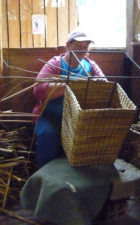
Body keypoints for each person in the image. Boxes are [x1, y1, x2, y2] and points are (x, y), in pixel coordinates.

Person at [32, 28, 107, 167]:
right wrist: (72, 84)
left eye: (85, 48)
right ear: (67, 45)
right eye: (78, 47)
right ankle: (47, 176)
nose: (82, 52)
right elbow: (39, 90)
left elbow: (105, 86)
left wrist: (100, 84)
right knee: (47, 135)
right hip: (51, 116)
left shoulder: (90, 65)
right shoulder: (54, 64)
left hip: (80, 118)